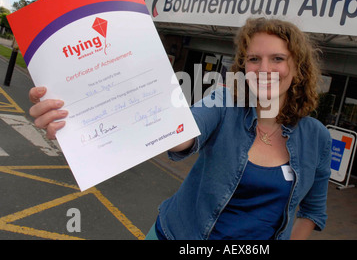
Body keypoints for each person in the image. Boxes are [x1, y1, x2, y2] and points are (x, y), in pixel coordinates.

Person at [28, 17, 332, 240]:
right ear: (243, 66)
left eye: (277, 58)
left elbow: (312, 211)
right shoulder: (224, 101)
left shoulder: (316, 137)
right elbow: (179, 134)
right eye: (254, 59)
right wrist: (78, 114)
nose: (264, 69)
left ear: (298, 68)